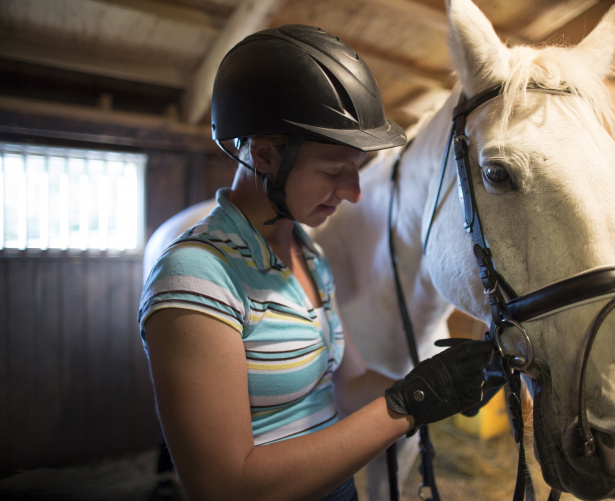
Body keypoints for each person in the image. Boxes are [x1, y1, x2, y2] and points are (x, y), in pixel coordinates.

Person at [138, 24, 494, 500]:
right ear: (264, 156)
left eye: (356, 168)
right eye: (333, 171)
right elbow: (226, 486)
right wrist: (407, 405)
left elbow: (348, 388)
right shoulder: (197, 276)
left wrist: (443, 387)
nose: (352, 192)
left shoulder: (310, 256)